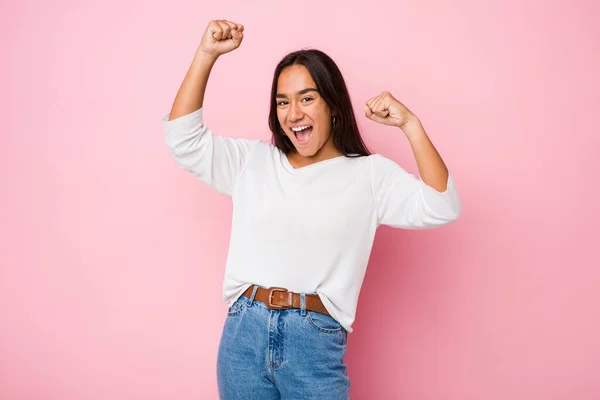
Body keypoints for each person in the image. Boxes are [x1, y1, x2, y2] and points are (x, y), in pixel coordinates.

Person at [162, 19, 461, 400]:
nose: (293, 113)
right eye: (283, 102)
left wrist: (410, 125)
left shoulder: (369, 175)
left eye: (307, 98)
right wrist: (206, 55)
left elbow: (442, 205)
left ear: (333, 106)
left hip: (314, 344)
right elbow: (182, 140)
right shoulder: (253, 162)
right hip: (243, 336)